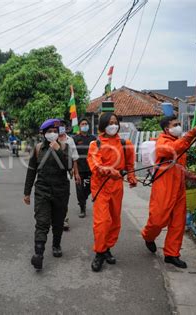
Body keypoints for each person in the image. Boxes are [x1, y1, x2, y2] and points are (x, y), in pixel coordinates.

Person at [141, 117, 196, 268]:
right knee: (157, 220)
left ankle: (171, 254)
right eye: (175, 125)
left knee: (178, 222)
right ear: (166, 129)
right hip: (164, 186)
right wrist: (192, 133)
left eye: (178, 124)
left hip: (178, 187)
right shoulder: (162, 141)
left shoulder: (178, 141)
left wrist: (191, 175)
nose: (178, 127)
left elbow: (178, 166)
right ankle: (148, 236)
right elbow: (172, 150)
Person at [87, 112, 137, 272]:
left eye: (115, 122)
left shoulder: (124, 143)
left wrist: (131, 176)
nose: (113, 125)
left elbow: (130, 163)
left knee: (115, 221)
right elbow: (95, 165)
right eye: (109, 122)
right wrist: (109, 170)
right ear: (103, 125)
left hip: (117, 187)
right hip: (100, 187)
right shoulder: (95, 144)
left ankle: (107, 247)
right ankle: (99, 253)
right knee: (102, 222)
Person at [24, 118, 70, 270]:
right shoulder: (38, 148)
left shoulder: (64, 146)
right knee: (42, 222)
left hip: (61, 191)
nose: (52, 134)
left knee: (58, 221)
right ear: (43, 134)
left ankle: (56, 245)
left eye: (55, 131)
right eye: (49, 132)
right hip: (42, 190)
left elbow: (68, 166)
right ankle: (39, 254)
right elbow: (31, 171)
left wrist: (58, 150)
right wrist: (27, 192)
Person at [58, 119, 79, 231]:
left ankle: (64, 219)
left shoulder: (70, 140)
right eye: (59, 126)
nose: (61, 127)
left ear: (66, 128)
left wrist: (76, 174)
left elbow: (74, 158)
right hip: (54, 174)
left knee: (64, 197)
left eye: (62, 125)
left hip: (66, 173)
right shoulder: (53, 139)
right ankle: (57, 218)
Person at [72, 118, 97, 218]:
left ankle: (84, 198)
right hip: (79, 169)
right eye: (82, 124)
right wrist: (73, 170)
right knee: (79, 189)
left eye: (86, 124)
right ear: (79, 126)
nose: (85, 125)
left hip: (91, 169)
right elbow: (73, 155)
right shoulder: (75, 139)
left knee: (90, 188)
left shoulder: (93, 138)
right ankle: (82, 208)